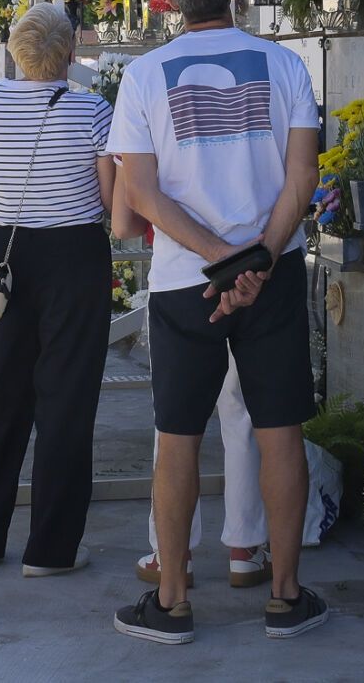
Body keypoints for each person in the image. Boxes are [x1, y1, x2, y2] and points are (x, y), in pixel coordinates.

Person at [108, 0, 326, 644]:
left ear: (167, 0)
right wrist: (255, 260)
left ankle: (172, 602)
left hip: (184, 283)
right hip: (276, 273)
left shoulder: (144, 75)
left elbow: (140, 191)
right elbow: (302, 180)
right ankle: (286, 596)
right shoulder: (284, 64)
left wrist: (220, 261)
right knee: (278, 433)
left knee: (177, 440)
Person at [0, 3, 114, 576]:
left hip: (7, 253)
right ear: (69, 53)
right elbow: (111, 201)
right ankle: (51, 548)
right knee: (66, 401)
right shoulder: (93, 111)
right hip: (74, 256)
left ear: (15, 53)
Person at [111, 168, 269, 591]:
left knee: (175, 423)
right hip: (254, 268)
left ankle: (171, 555)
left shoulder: (147, 107)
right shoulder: (257, 99)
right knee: (242, 412)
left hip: (179, 278)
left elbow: (124, 222)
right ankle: (247, 549)